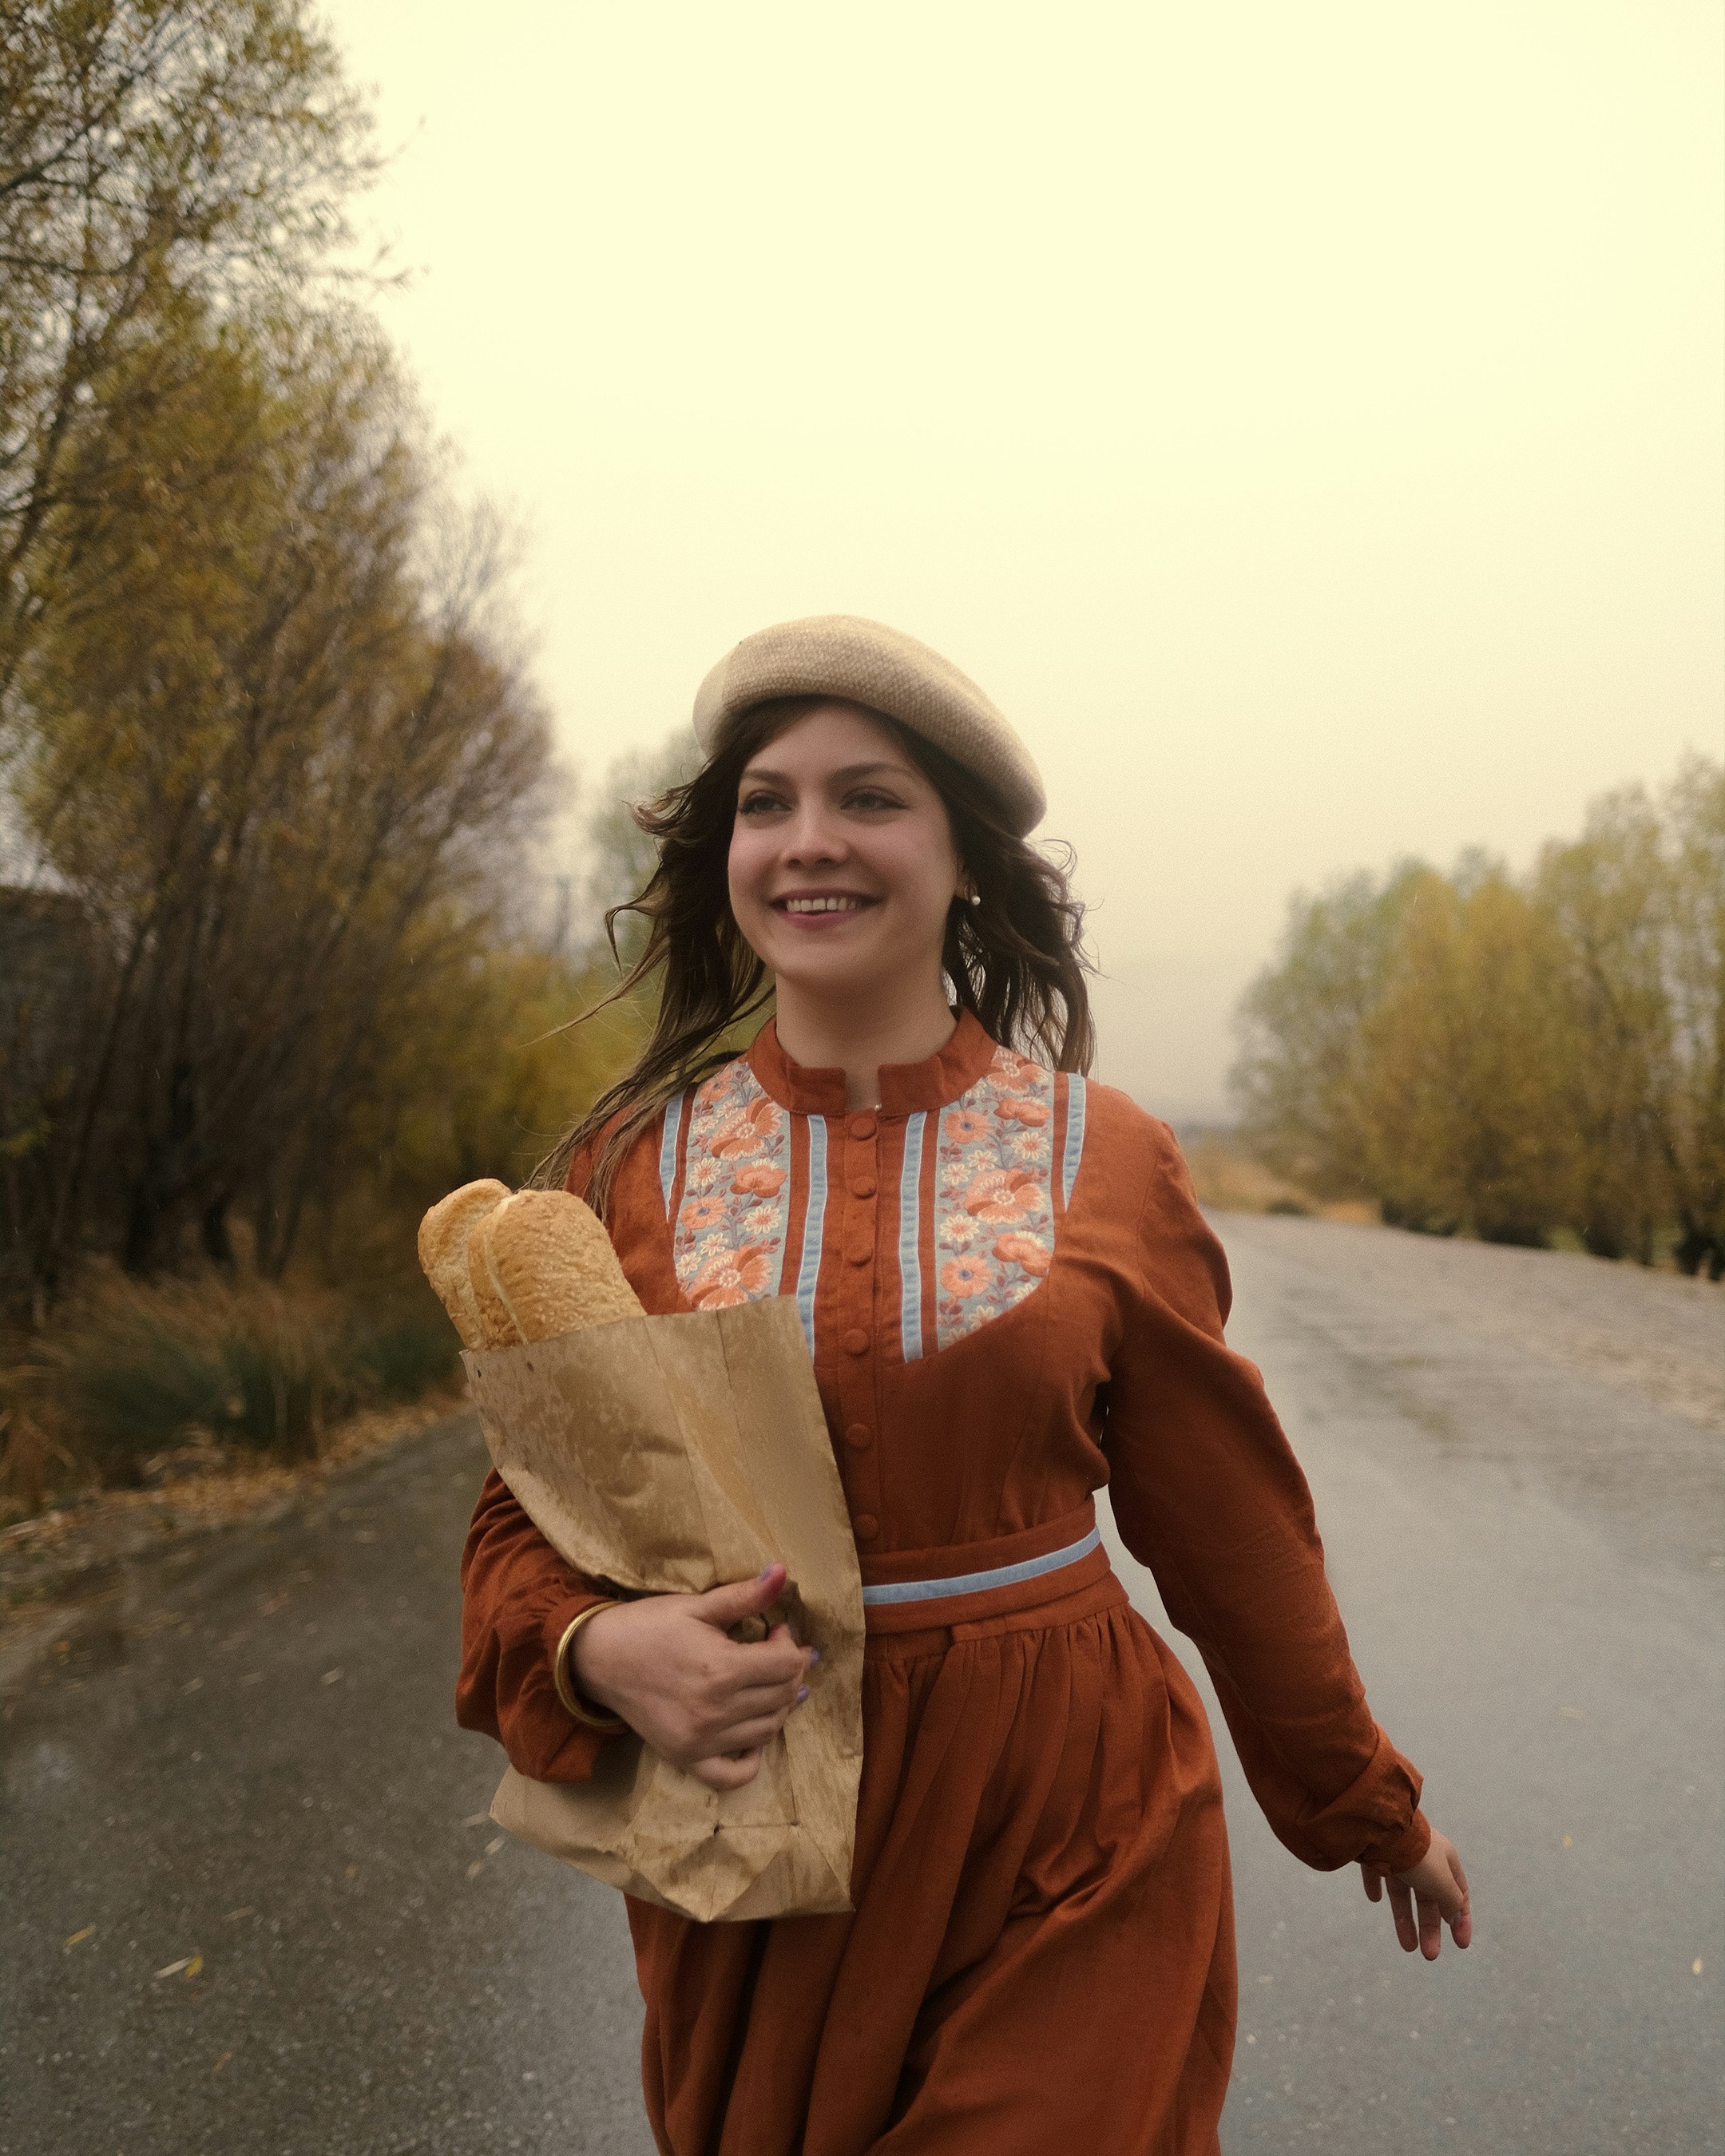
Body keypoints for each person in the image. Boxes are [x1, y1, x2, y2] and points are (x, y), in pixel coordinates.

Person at [456, 615, 1470, 2156]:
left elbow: (1234, 1539)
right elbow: (519, 1527)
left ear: (967, 859)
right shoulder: (626, 1174)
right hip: (767, 1850)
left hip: (1078, 1825)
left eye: (871, 798)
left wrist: (1364, 1803)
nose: (811, 842)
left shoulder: (1112, 1159)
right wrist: (602, 1652)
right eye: (767, 803)